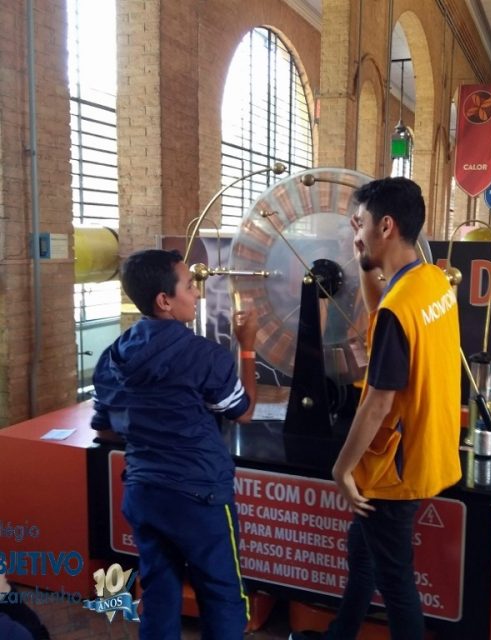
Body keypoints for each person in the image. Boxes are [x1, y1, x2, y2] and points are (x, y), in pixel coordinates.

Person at [290, 177, 462, 640]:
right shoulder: (431, 282)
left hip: (393, 470)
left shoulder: (399, 310)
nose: (357, 232)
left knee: (396, 583)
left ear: (386, 226)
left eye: (361, 223)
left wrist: (342, 469)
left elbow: (379, 402)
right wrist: (363, 257)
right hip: (427, 450)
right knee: (363, 551)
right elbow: (380, 310)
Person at [91, 249, 257, 640]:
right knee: (223, 597)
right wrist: (247, 346)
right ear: (164, 301)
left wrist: (150, 423)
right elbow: (243, 411)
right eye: (188, 286)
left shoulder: (112, 357)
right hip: (199, 497)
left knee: (158, 593)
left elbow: (105, 431)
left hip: (144, 494)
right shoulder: (205, 356)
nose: (196, 293)